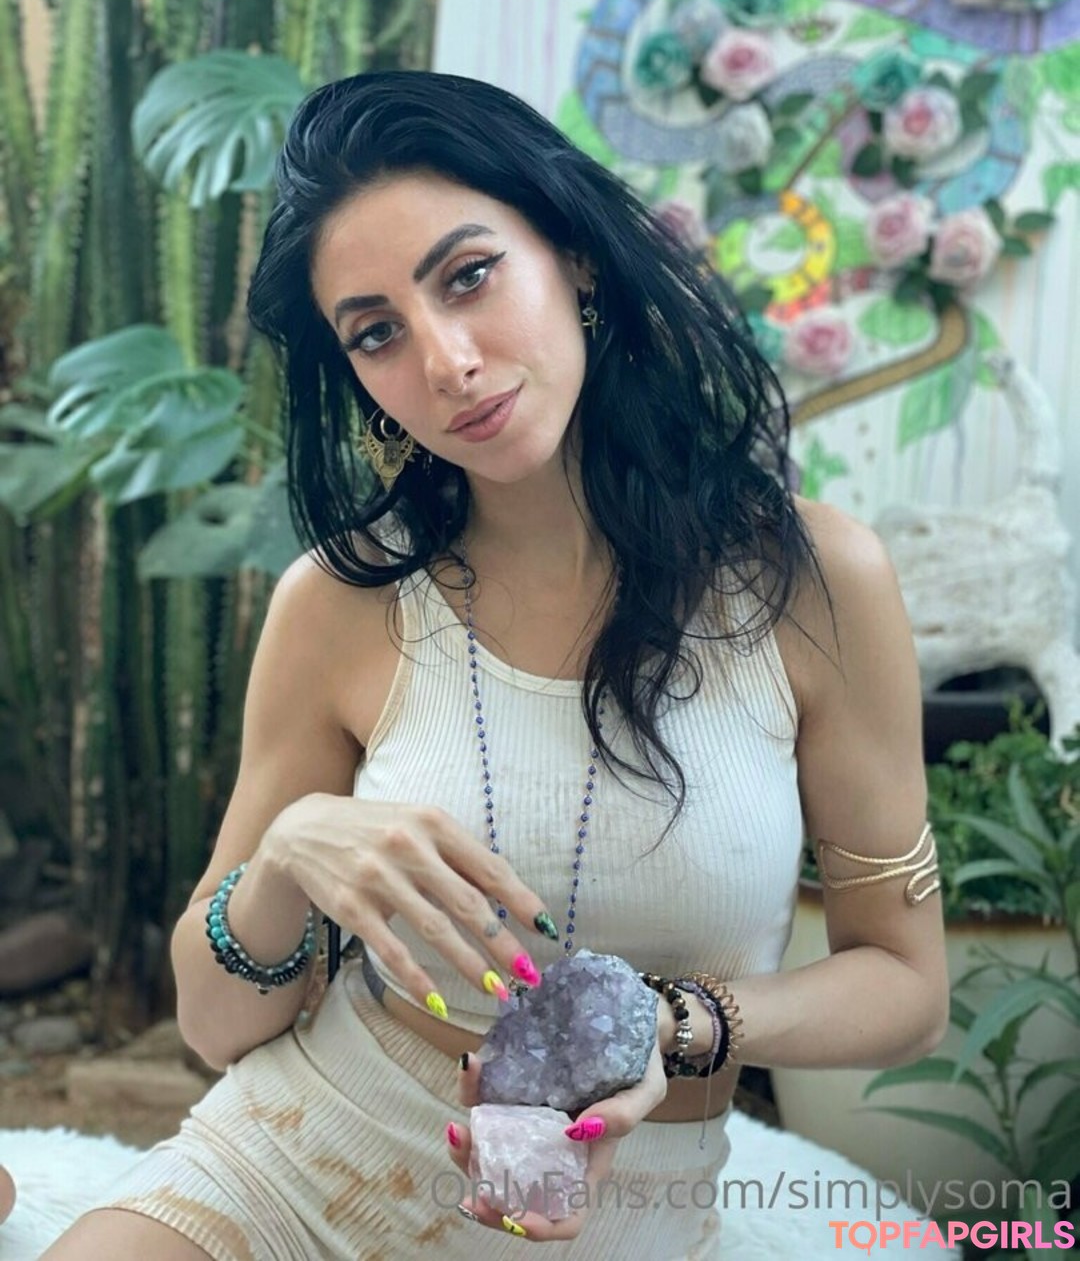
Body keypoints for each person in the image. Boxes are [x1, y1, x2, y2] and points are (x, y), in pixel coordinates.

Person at [44, 70, 949, 1260]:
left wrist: (667, 1024)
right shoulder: (344, 602)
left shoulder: (812, 584)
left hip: (614, 1213)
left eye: (468, 276)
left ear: (572, 256)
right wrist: (289, 854)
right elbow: (215, 1026)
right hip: (298, 1165)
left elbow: (905, 985)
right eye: (377, 332)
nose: (448, 360)